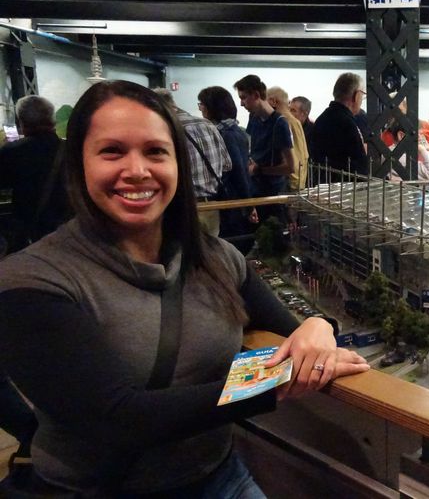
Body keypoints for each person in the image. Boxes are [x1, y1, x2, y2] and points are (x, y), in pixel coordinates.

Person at [0, 80, 369, 496]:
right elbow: (120, 418)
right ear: (78, 163)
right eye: (112, 151)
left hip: (219, 476)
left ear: (178, 162)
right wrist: (278, 379)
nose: (137, 170)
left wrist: (320, 326)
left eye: (156, 151)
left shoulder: (214, 257)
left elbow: (286, 326)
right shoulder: (32, 281)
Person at [153, 88, 231, 236]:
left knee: (182, 248)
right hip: (212, 206)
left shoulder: (167, 129)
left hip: (182, 207)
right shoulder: (208, 125)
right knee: (211, 248)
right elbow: (227, 165)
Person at [0, 95, 69, 252]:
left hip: (28, 235)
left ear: (22, 123)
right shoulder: (71, 150)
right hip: (67, 231)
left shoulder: (11, 152)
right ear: (53, 120)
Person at [197, 86, 258, 241]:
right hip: (234, 198)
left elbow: (238, 171)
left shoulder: (225, 134)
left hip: (230, 200)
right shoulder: (234, 130)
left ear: (211, 107)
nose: (200, 108)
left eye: (201, 104)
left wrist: (249, 205)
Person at [234, 75, 294, 221]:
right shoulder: (254, 118)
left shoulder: (280, 124)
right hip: (255, 188)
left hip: (273, 194)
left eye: (243, 98)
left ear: (256, 95)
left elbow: (290, 167)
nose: (241, 104)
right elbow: (252, 148)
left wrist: (260, 169)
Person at [311, 72, 369, 181]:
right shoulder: (347, 123)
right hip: (344, 187)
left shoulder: (322, 118)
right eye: (363, 95)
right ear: (356, 96)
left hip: (324, 184)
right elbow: (358, 165)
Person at [267, 86, 309, 191]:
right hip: (298, 182)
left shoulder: (282, 121)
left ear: (273, 101)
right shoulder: (295, 121)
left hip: (288, 183)